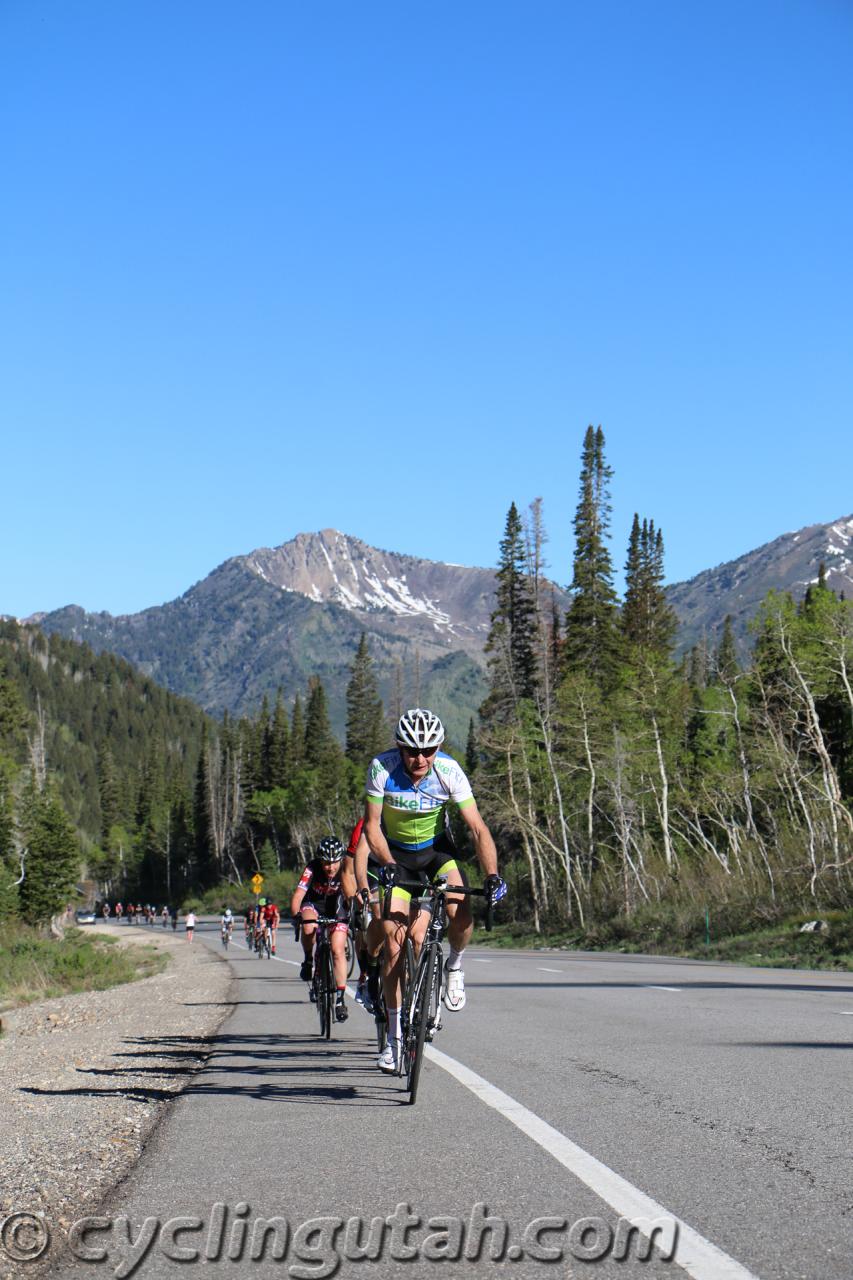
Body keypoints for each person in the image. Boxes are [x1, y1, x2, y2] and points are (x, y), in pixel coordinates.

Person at [364, 707, 506, 1073]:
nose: (420, 758)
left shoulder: (448, 771)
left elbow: (476, 828)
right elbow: (372, 827)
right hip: (394, 855)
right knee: (394, 941)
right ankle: (394, 1040)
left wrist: (491, 874)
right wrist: (388, 864)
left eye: (429, 750)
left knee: (461, 909)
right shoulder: (382, 768)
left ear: (438, 747)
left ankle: (454, 967)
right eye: (413, 750)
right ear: (400, 747)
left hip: (436, 852)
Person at [290, 837, 350, 1022]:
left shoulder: (347, 868)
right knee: (308, 928)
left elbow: (353, 894)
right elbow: (298, 895)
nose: (330, 867)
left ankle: (340, 1000)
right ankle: (308, 960)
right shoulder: (312, 868)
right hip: (313, 905)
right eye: (325, 862)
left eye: (334, 862)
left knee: (338, 950)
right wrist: (295, 916)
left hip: (337, 908)